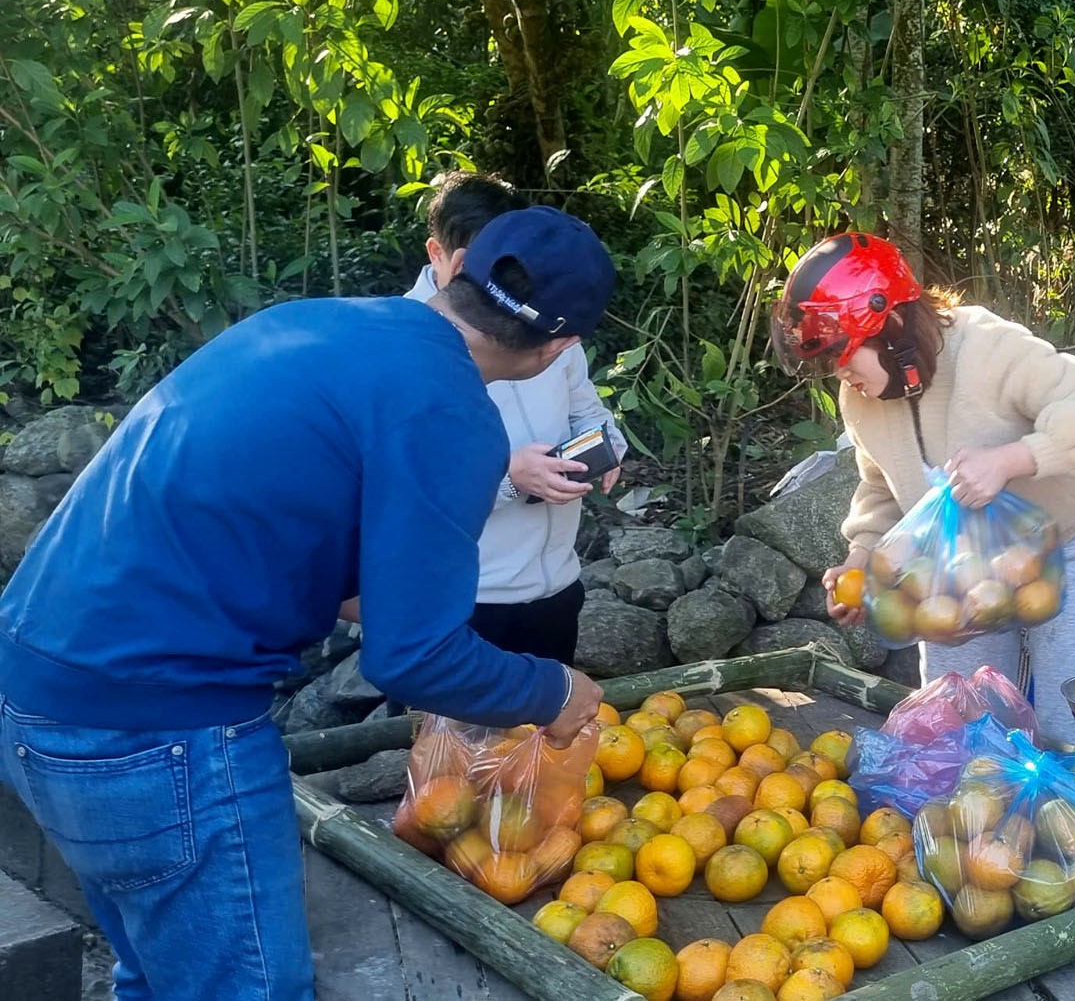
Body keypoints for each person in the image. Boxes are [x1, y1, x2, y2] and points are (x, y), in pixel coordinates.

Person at [0, 204, 616, 1001]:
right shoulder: (449, 411)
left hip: (34, 690)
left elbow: (285, 535)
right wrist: (553, 689)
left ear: (456, 269)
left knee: (155, 977)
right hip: (158, 732)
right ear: (562, 345)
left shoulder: (311, 324)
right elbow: (414, 657)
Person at [768, 232, 1075, 745]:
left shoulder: (989, 347)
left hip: (1064, 544)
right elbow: (880, 484)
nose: (838, 373)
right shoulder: (859, 399)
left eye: (843, 354)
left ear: (893, 324)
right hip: (959, 570)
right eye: (826, 363)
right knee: (961, 719)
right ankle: (986, 821)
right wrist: (860, 557)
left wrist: (1013, 459)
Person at [396, 172, 629, 664]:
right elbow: (402, 483)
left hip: (554, 585)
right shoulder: (402, 344)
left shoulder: (545, 319)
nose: (499, 286)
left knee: (543, 737)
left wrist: (602, 445)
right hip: (461, 597)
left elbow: (588, 410)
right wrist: (507, 474)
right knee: (449, 740)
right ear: (442, 254)